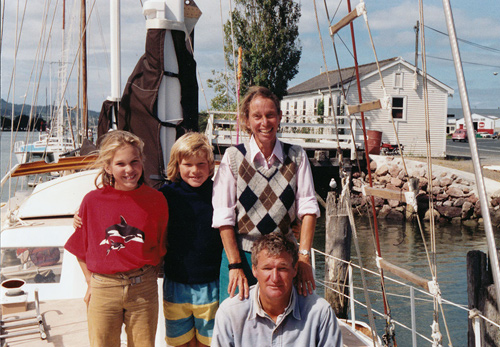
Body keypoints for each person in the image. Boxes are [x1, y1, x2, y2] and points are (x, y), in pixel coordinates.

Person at [212, 86, 320, 302]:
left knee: (286, 322)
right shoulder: (233, 157)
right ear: (247, 120)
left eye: (270, 115)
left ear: (279, 117)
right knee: (237, 321)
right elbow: (224, 216)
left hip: (283, 259)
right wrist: (234, 265)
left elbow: (308, 209)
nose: (264, 122)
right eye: (257, 116)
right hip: (242, 255)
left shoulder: (297, 156)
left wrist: (304, 258)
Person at [65, 130, 169, 347]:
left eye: (134, 162)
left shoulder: (157, 200)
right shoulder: (92, 201)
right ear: (108, 167)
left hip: (143, 289)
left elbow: (159, 246)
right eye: (120, 164)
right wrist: (89, 282)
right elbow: (80, 249)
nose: (129, 169)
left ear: (142, 162)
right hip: (103, 288)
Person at [211, 232, 343, 346]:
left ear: (295, 270)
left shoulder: (320, 313)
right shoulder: (230, 313)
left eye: (283, 268)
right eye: (267, 268)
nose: (275, 278)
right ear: (254, 270)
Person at [159, 132, 223, 347]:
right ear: (177, 165)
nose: (195, 171)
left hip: (212, 284)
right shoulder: (165, 194)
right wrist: (81, 214)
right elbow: (134, 208)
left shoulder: (220, 192)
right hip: (176, 283)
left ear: (210, 165)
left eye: (201, 164)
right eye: (188, 164)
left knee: (210, 343)